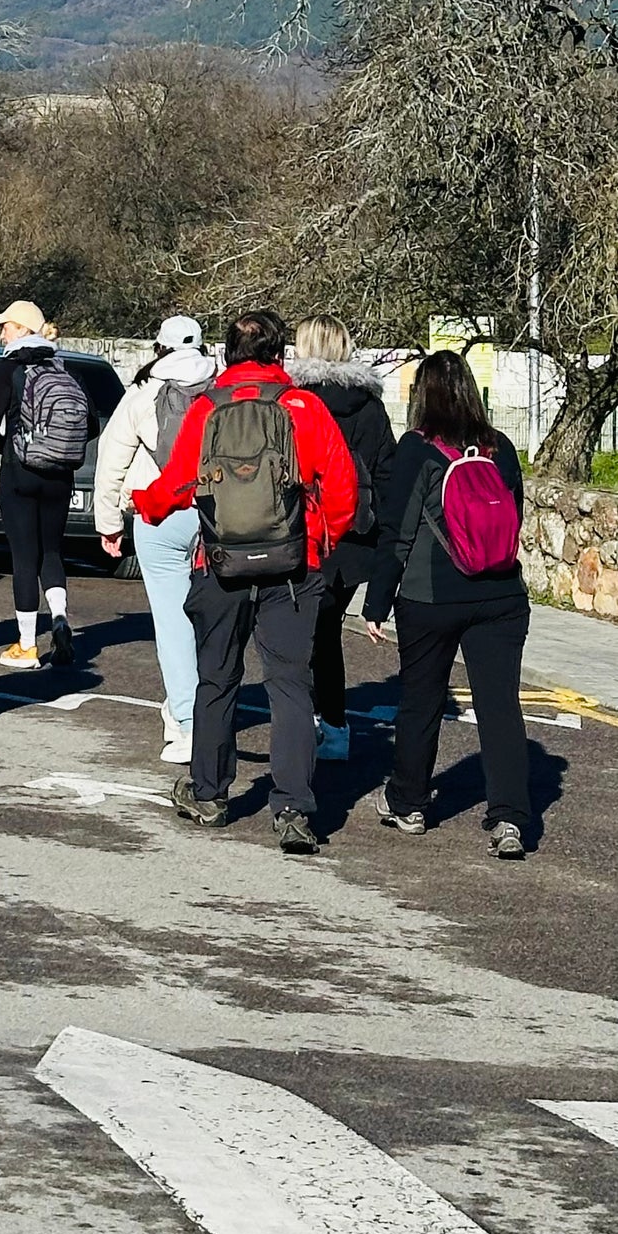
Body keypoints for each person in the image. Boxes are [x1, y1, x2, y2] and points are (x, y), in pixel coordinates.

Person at [135, 308, 358, 854]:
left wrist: (144, 505)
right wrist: (320, 540)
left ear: (226, 354)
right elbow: (344, 489)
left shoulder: (208, 408)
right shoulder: (304, 407)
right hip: (292, 565)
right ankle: (293, 808)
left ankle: (210, 793)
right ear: (281, 354)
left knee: (218, 678)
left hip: (220, 563)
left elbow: (175, 486)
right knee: (290, 685)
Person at [362, 349, 530, 858]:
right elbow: (513, 516)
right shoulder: (499, 447)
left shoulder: (417, 448)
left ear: (422, 395)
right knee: (499, 705)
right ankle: (510, 820)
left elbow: (398, 531)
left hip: (431, 595)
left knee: (422, 699)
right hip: (501, 593)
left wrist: (376, 603)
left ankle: (408, 802)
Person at [94, 316, 217, 763]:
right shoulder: (220, 388)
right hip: (218, 513)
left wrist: (108, 521)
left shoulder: (146, 391)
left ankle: (186, 722)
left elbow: (112, 457)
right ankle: (213, 704)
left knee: (172, 622)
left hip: (160, 514)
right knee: (217, 617)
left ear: (158, 347)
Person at [288, 316, 397, 760]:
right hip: (355, 536)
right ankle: (334, 726)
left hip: (304, 528)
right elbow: (386, 472)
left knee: (296, 630)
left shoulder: (295, 401)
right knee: (327, 630)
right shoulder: (370, 406)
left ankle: (311, 719)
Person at [0, 299, 87, 670]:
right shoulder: (62, 365)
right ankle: (60, 619)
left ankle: (26, 644)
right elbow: (89, 427)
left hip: (21, 471)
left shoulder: (9, 367)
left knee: (24, 556)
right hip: (60, 474)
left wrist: (8, 448)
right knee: (52, 552)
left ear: (23, 330)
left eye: (6, 326)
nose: (1, 332)